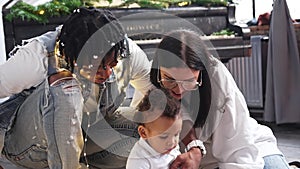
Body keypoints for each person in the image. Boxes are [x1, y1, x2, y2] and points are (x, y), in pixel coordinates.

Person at [0, 7, 153, 169]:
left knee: (148, 127)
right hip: (28, 151)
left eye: (112, 65)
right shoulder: (37, 58)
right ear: (71, 55)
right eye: (97, 67)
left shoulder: (126, 53)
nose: (107, 73)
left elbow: (153, 92)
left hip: (83, 139)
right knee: (65, 89)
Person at [149, 29, 292, 169]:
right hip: (195, 159)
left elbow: (238, 152)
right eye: (170, 80)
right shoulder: (150, 82)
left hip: (246, 147)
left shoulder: (217, 78)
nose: (179, 90)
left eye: (189, 81)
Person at [126, 89, 182, 169]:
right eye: (164, 137)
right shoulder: (139, 161)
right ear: (143, 133)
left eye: (176, 134)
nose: (172, 142)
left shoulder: (169, 145)